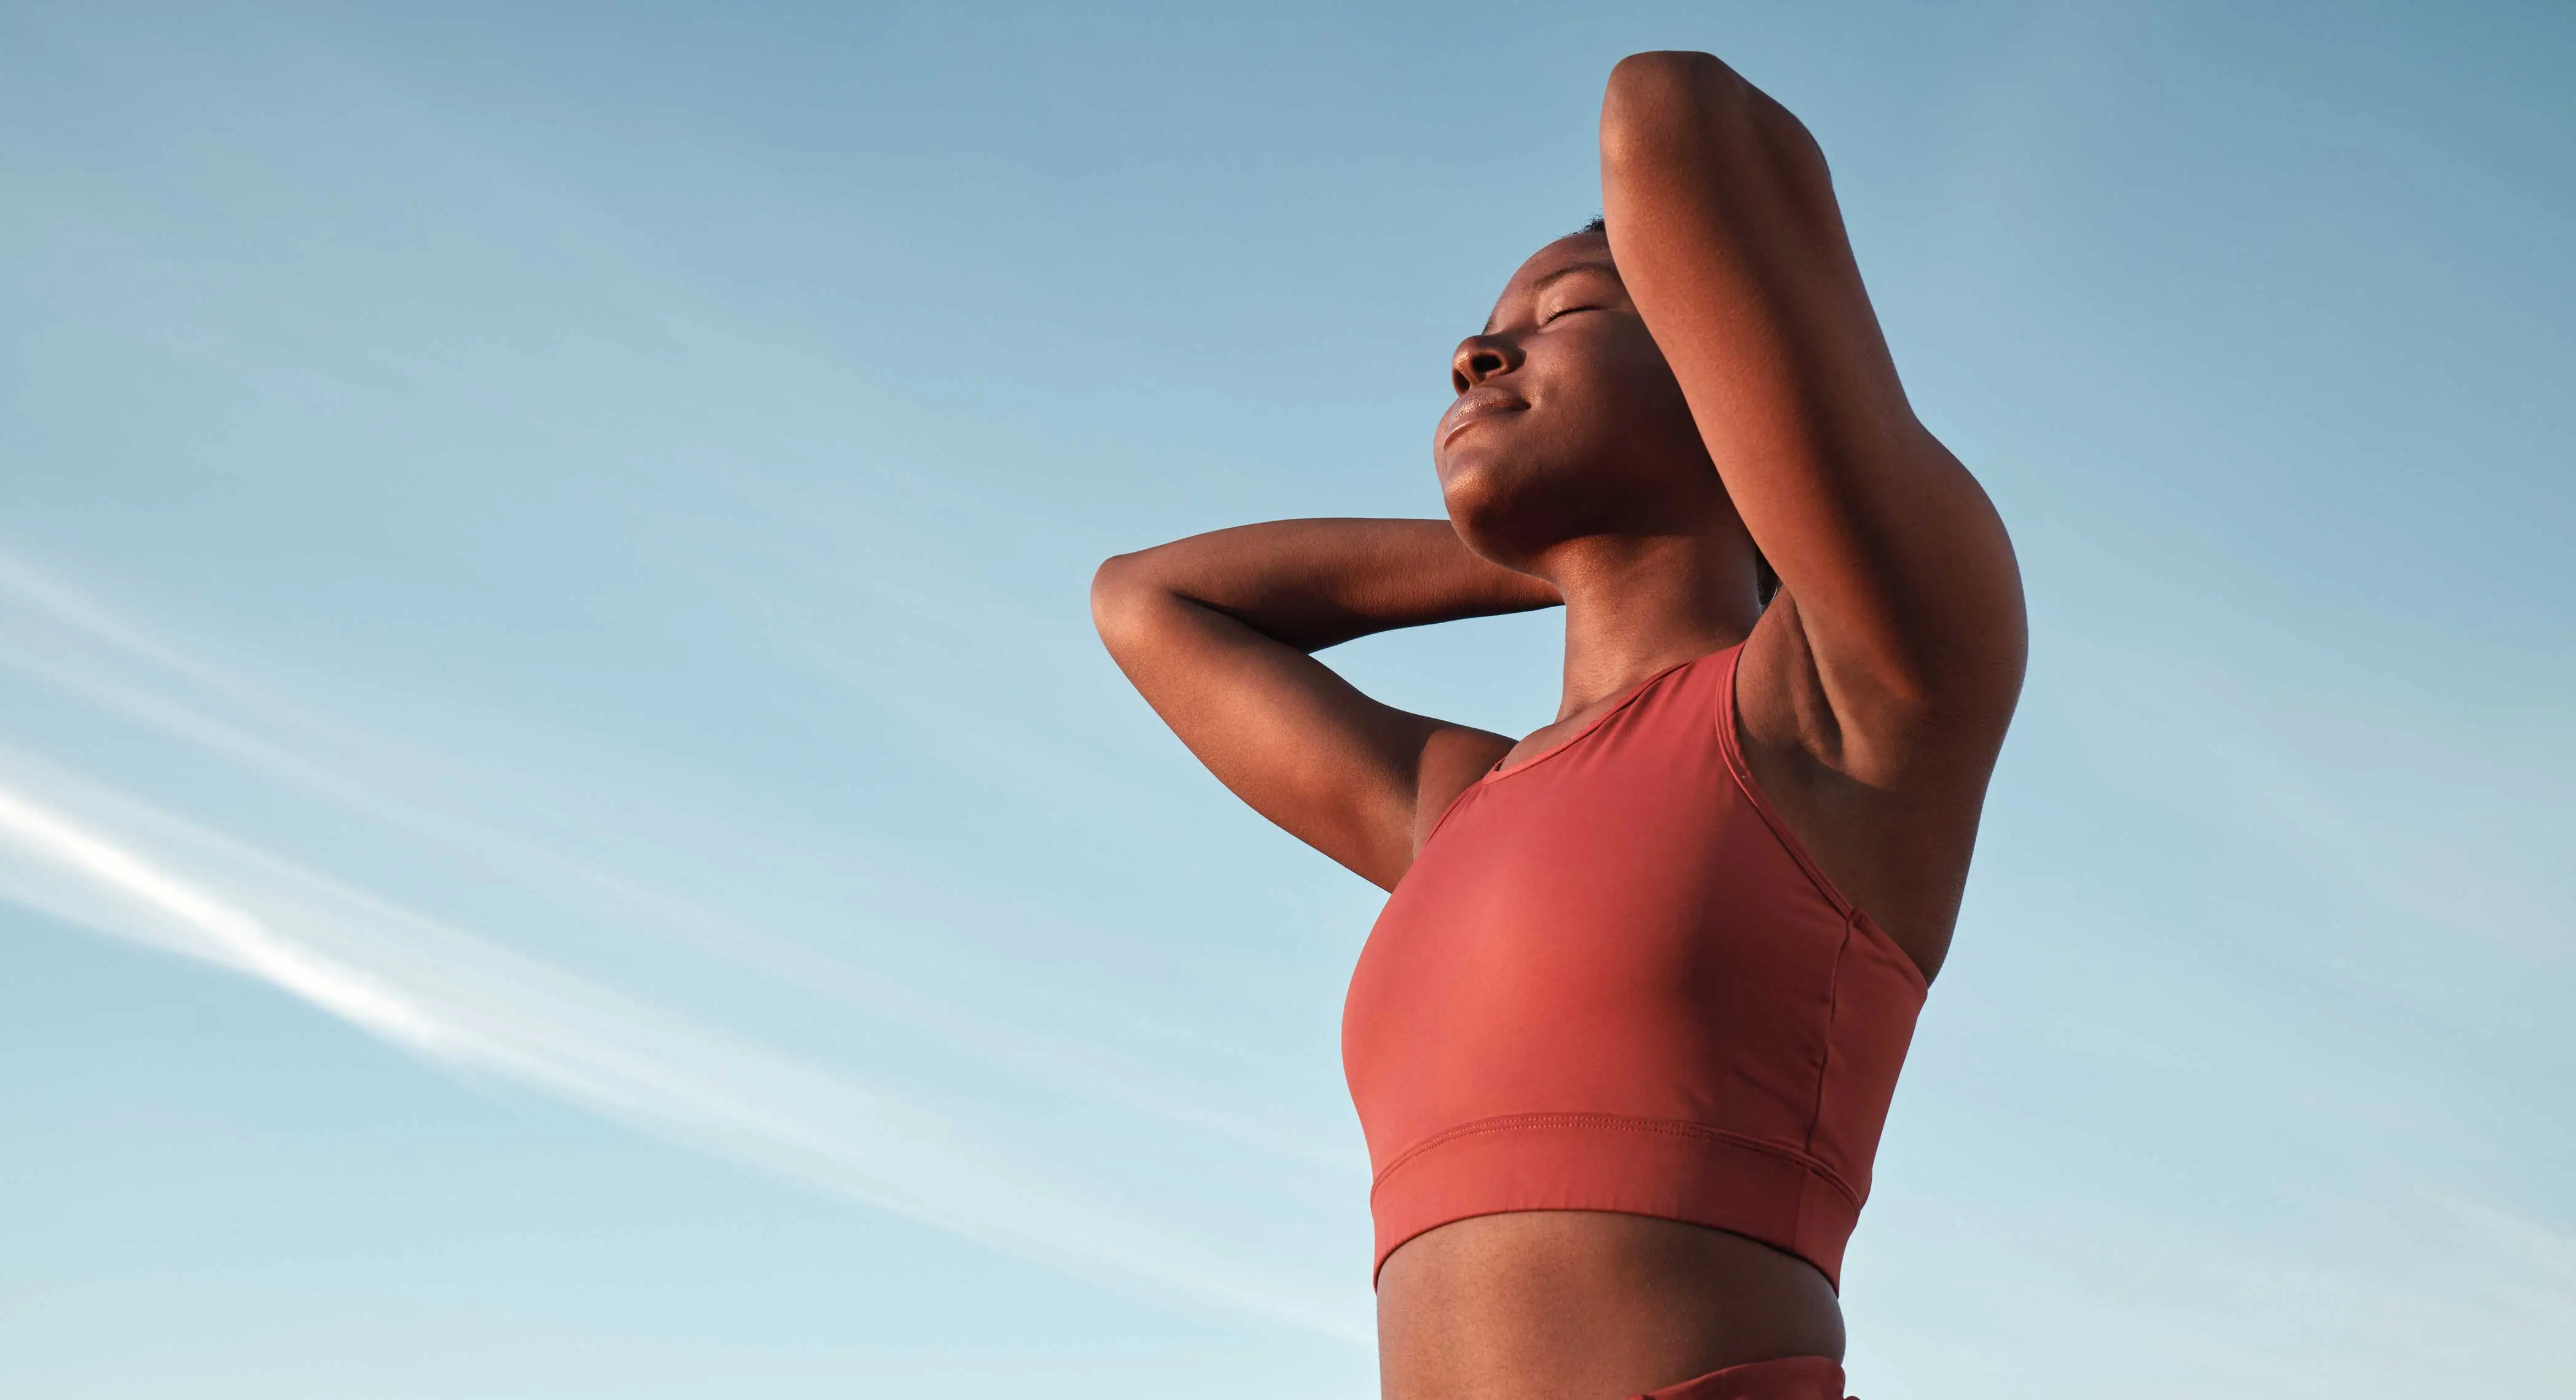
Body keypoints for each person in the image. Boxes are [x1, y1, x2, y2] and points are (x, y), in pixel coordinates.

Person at [1091, 50, 2025, 1400]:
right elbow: (1147, 600)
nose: (1479, 349)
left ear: (1721, 376)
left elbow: (1669, 112)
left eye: (1565, 309)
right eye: (1478, 334)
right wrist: (1560, 544)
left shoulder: (1848, 700)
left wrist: (1714, 495)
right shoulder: (1458, 803)